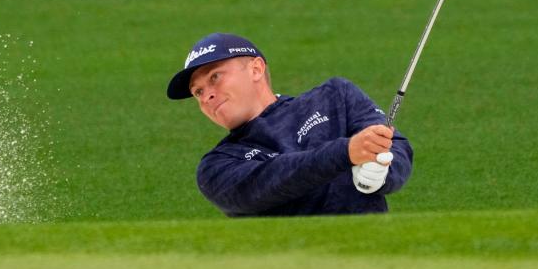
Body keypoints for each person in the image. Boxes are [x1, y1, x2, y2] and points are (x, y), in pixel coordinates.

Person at [167, 32, 413, 217]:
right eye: (198, 92)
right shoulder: (216, 166)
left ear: (255, 69)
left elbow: (394, 145)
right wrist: (346, 152)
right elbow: (271, 180)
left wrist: (383, 172)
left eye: (215, 77)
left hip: (373, 263)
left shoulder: (335, 97)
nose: (207, 95)